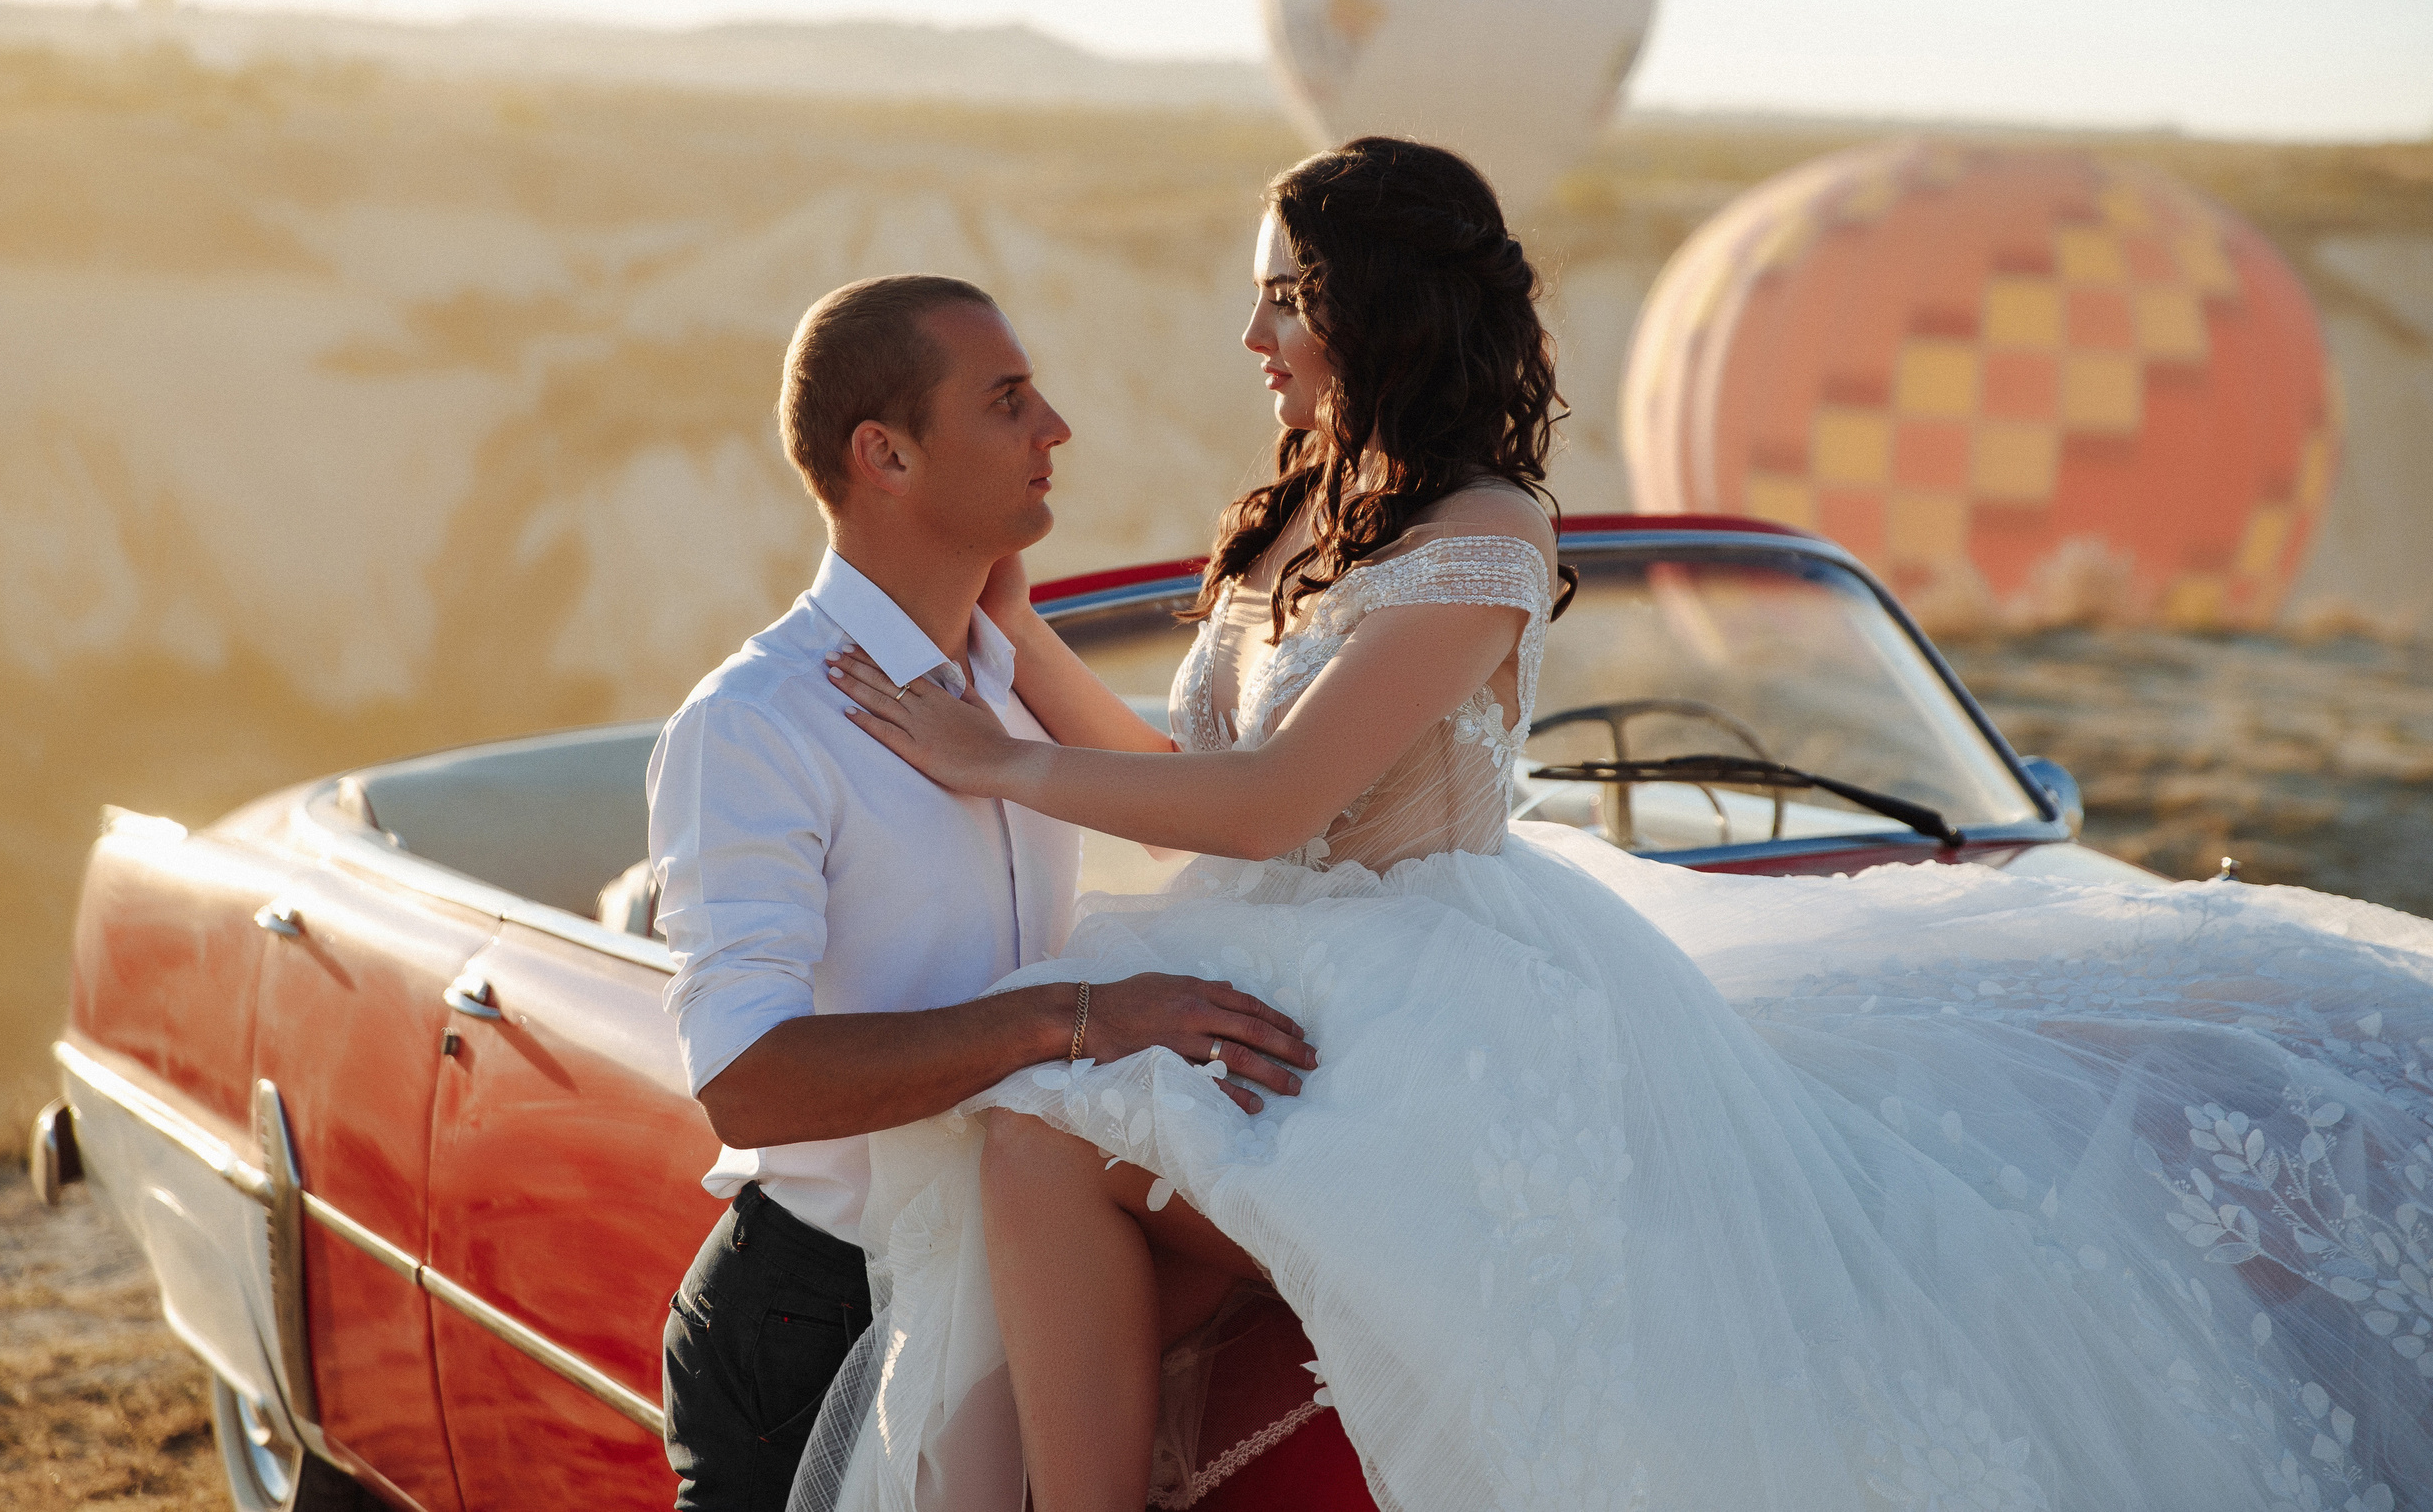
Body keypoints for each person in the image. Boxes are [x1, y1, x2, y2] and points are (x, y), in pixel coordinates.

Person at [803, 138, 2433, 1512]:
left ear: (1376, 305)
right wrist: (1007, 634)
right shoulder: (1292, 504)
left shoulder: (1486, 527)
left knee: (1031, 1128)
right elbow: (1190, 756)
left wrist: (996, 767)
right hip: (1270, 954)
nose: (1255, 336)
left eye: (1284, 299)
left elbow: (1277, 799)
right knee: (1042, 1162)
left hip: (1423, 989)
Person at [648, 273, 1317, 1512]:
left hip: (1018, 1290)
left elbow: (1219, 820)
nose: (1055, 427)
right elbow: (744, 1079)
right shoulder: (753, 724)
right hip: (818, 1315)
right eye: (1008, 401)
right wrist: (1078, 1020)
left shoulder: (1010, 694)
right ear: (884, 454)